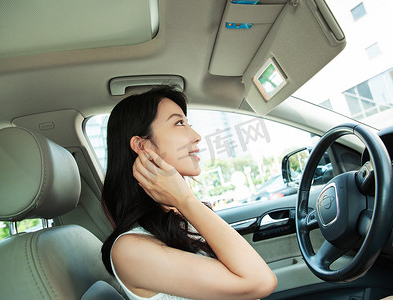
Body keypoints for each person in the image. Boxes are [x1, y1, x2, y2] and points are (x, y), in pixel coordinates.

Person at [101, 86, 277, 300]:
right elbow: (260, 282)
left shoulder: (179, 218)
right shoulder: (129, 250)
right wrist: (185, 199)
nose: (197, 136)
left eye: (187, 123)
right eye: (178, 123)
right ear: (141, 145)